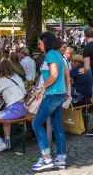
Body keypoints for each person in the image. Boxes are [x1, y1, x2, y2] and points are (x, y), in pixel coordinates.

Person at [30, 32, 71, 171]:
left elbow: (53, 75)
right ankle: (61, 157)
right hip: (59, 94)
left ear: (45, 42)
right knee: (57, 126)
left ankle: (46, 158)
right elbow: (64, 76)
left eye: (40, 42)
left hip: (53, 95)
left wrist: (42, 88)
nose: (38, 45)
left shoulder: (51, 55)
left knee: (36, 123)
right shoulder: (58, 54)